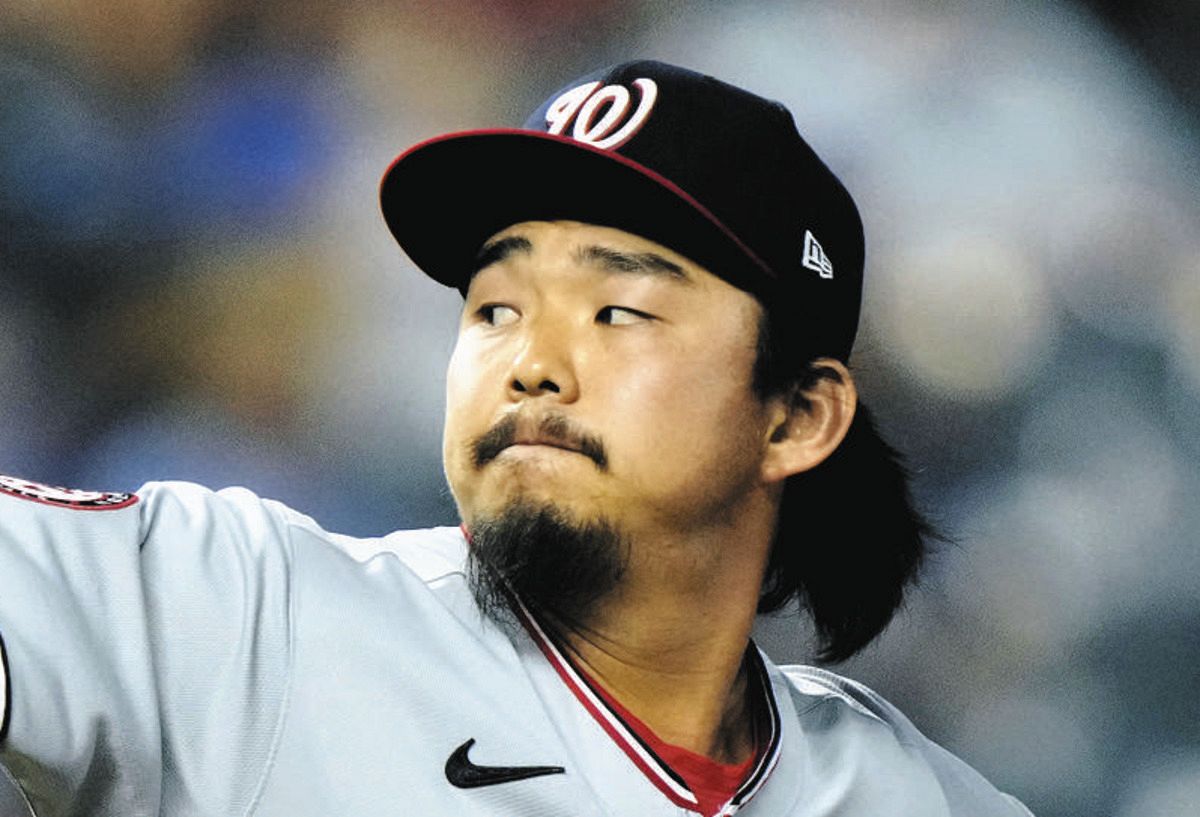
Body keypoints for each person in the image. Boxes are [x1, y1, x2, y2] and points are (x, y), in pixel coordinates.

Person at [0, 61, 1033, 816]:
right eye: (494, 306)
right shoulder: (250, 621)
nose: (531, 362)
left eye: (619, 310)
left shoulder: (906, 794)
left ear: (799, 415)